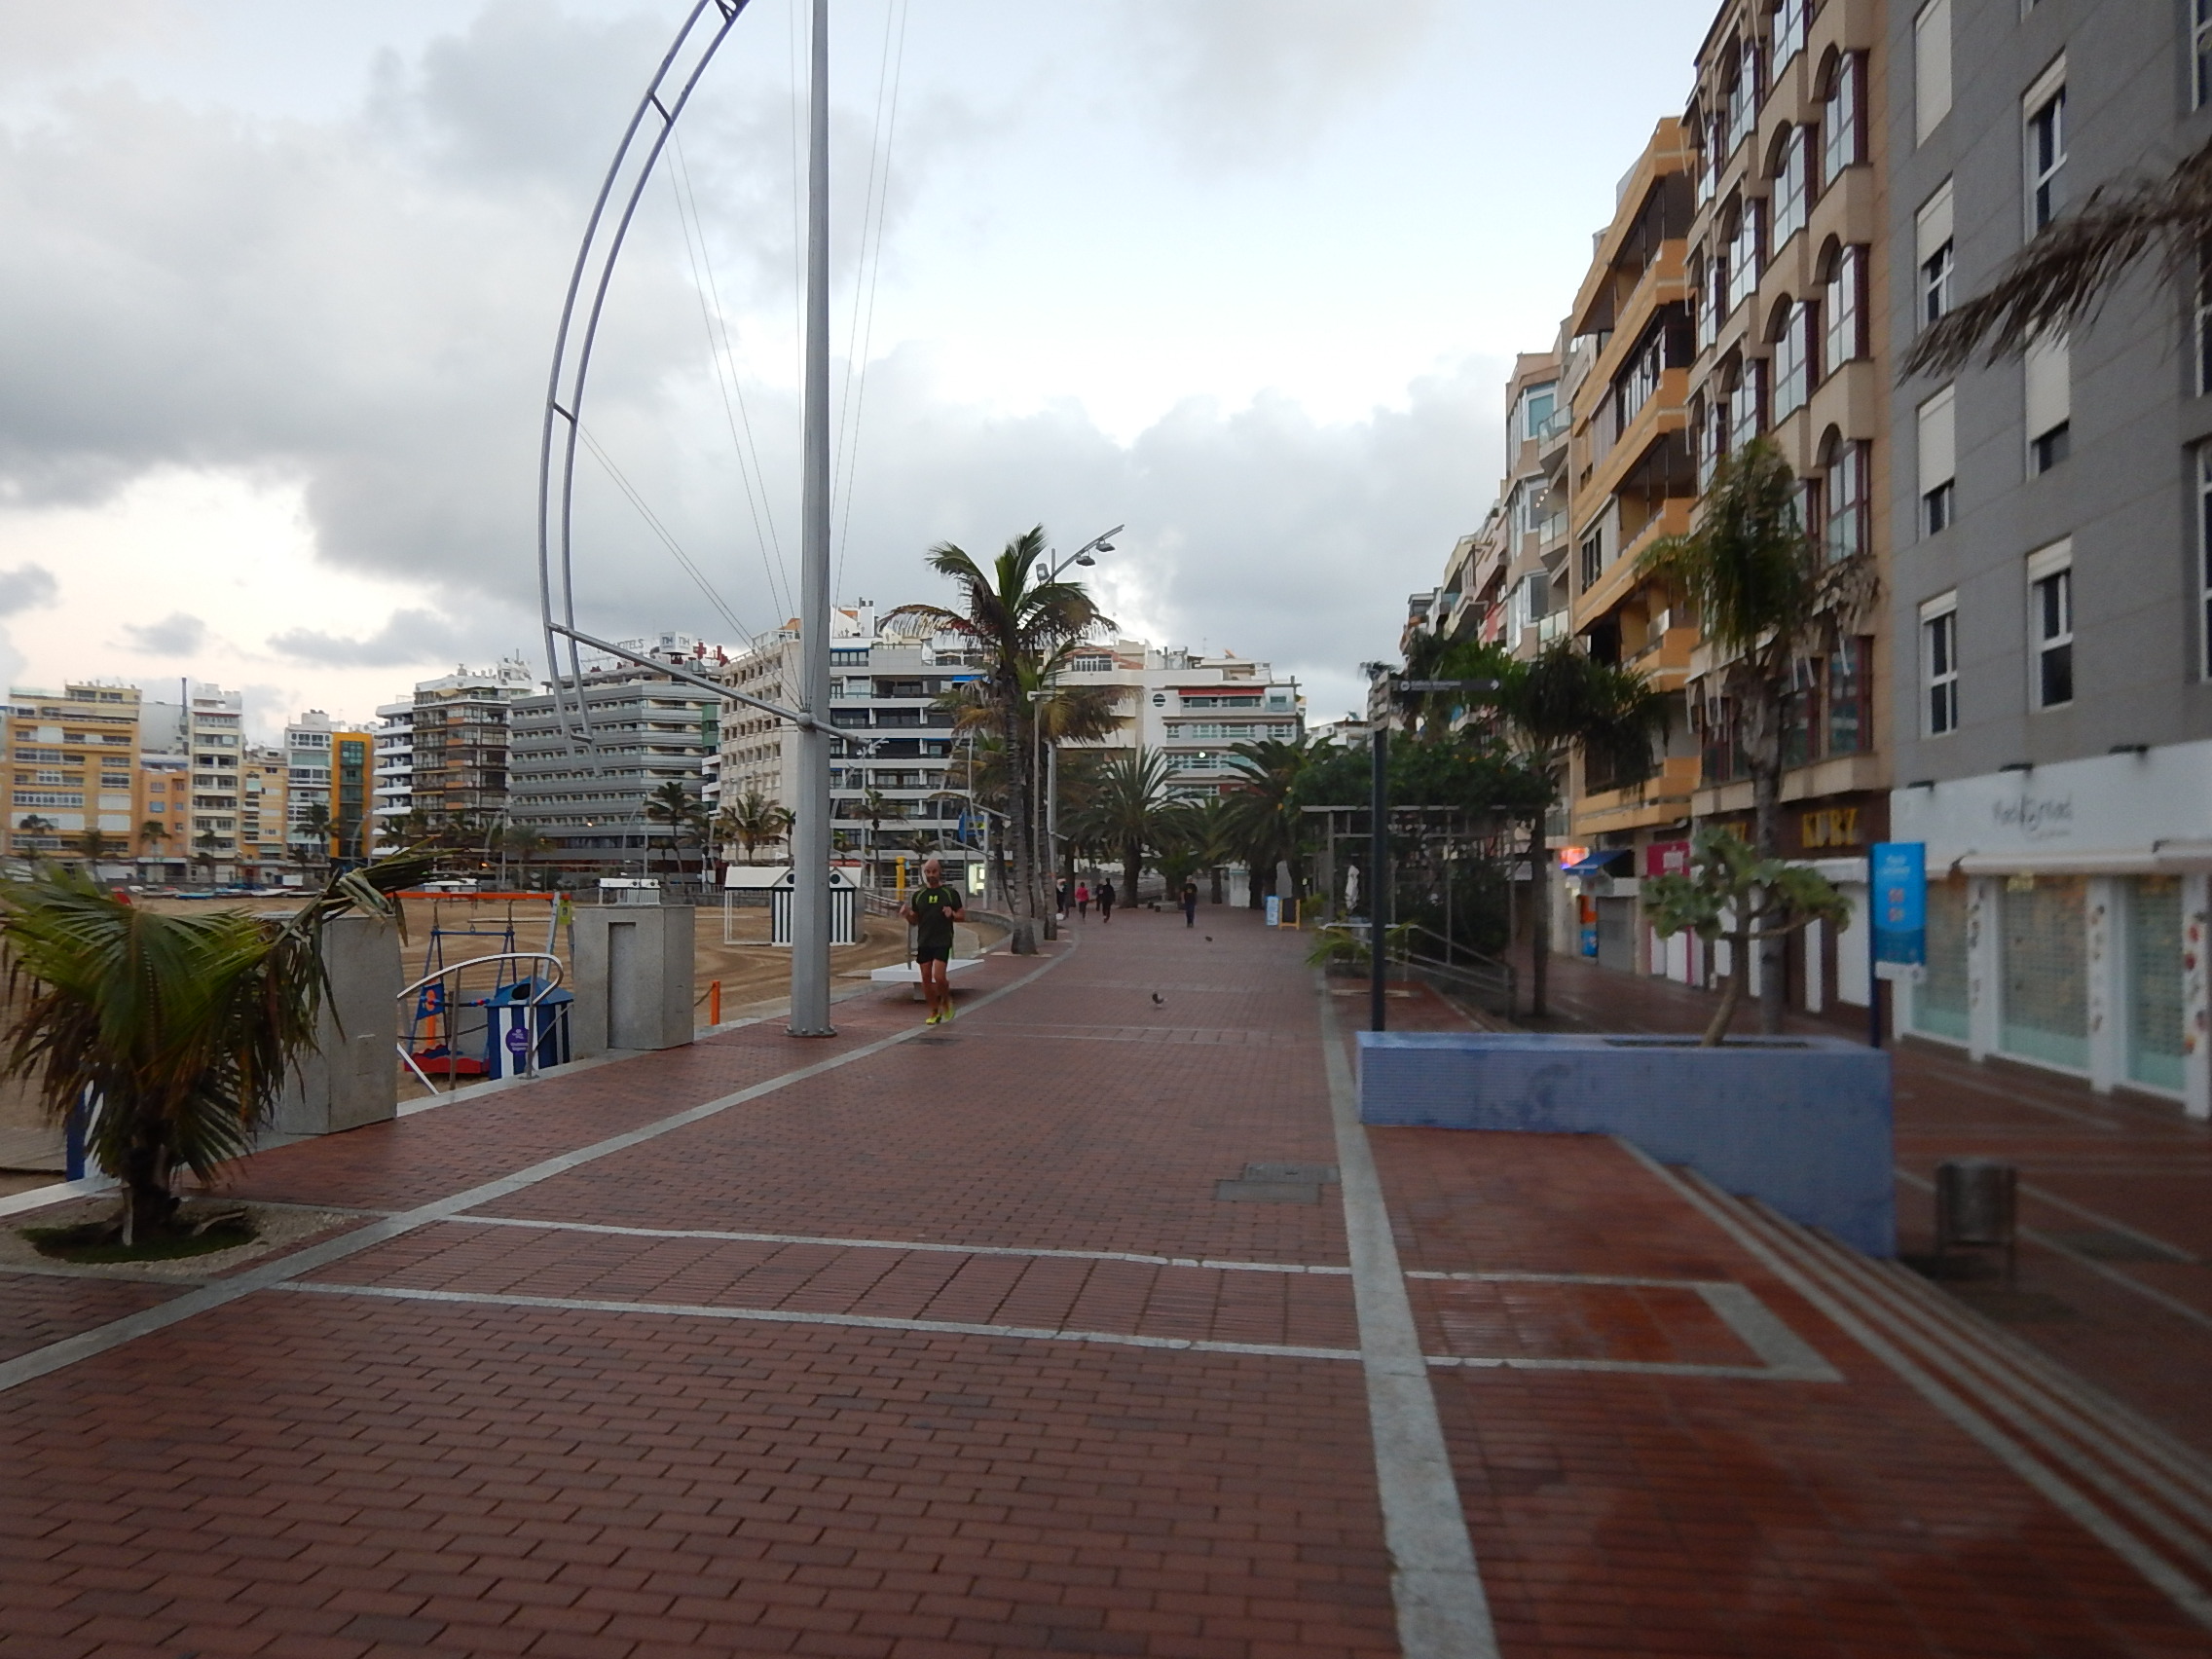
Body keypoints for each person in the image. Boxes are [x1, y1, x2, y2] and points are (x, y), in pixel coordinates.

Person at [902, 856, 966, 1025]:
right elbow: (915, 921)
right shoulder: (919, 895)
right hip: (924, 941)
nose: (931, 875)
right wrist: (907, 914)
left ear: (940, 872)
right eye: (928, 872)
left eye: (934, 871)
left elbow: (962, 916)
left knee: (939, 977)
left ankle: (946, 999)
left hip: (942, 939)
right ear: (924, 873)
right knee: (925, 978)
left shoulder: (950, 893)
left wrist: (951, 914)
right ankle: (934, 1011)